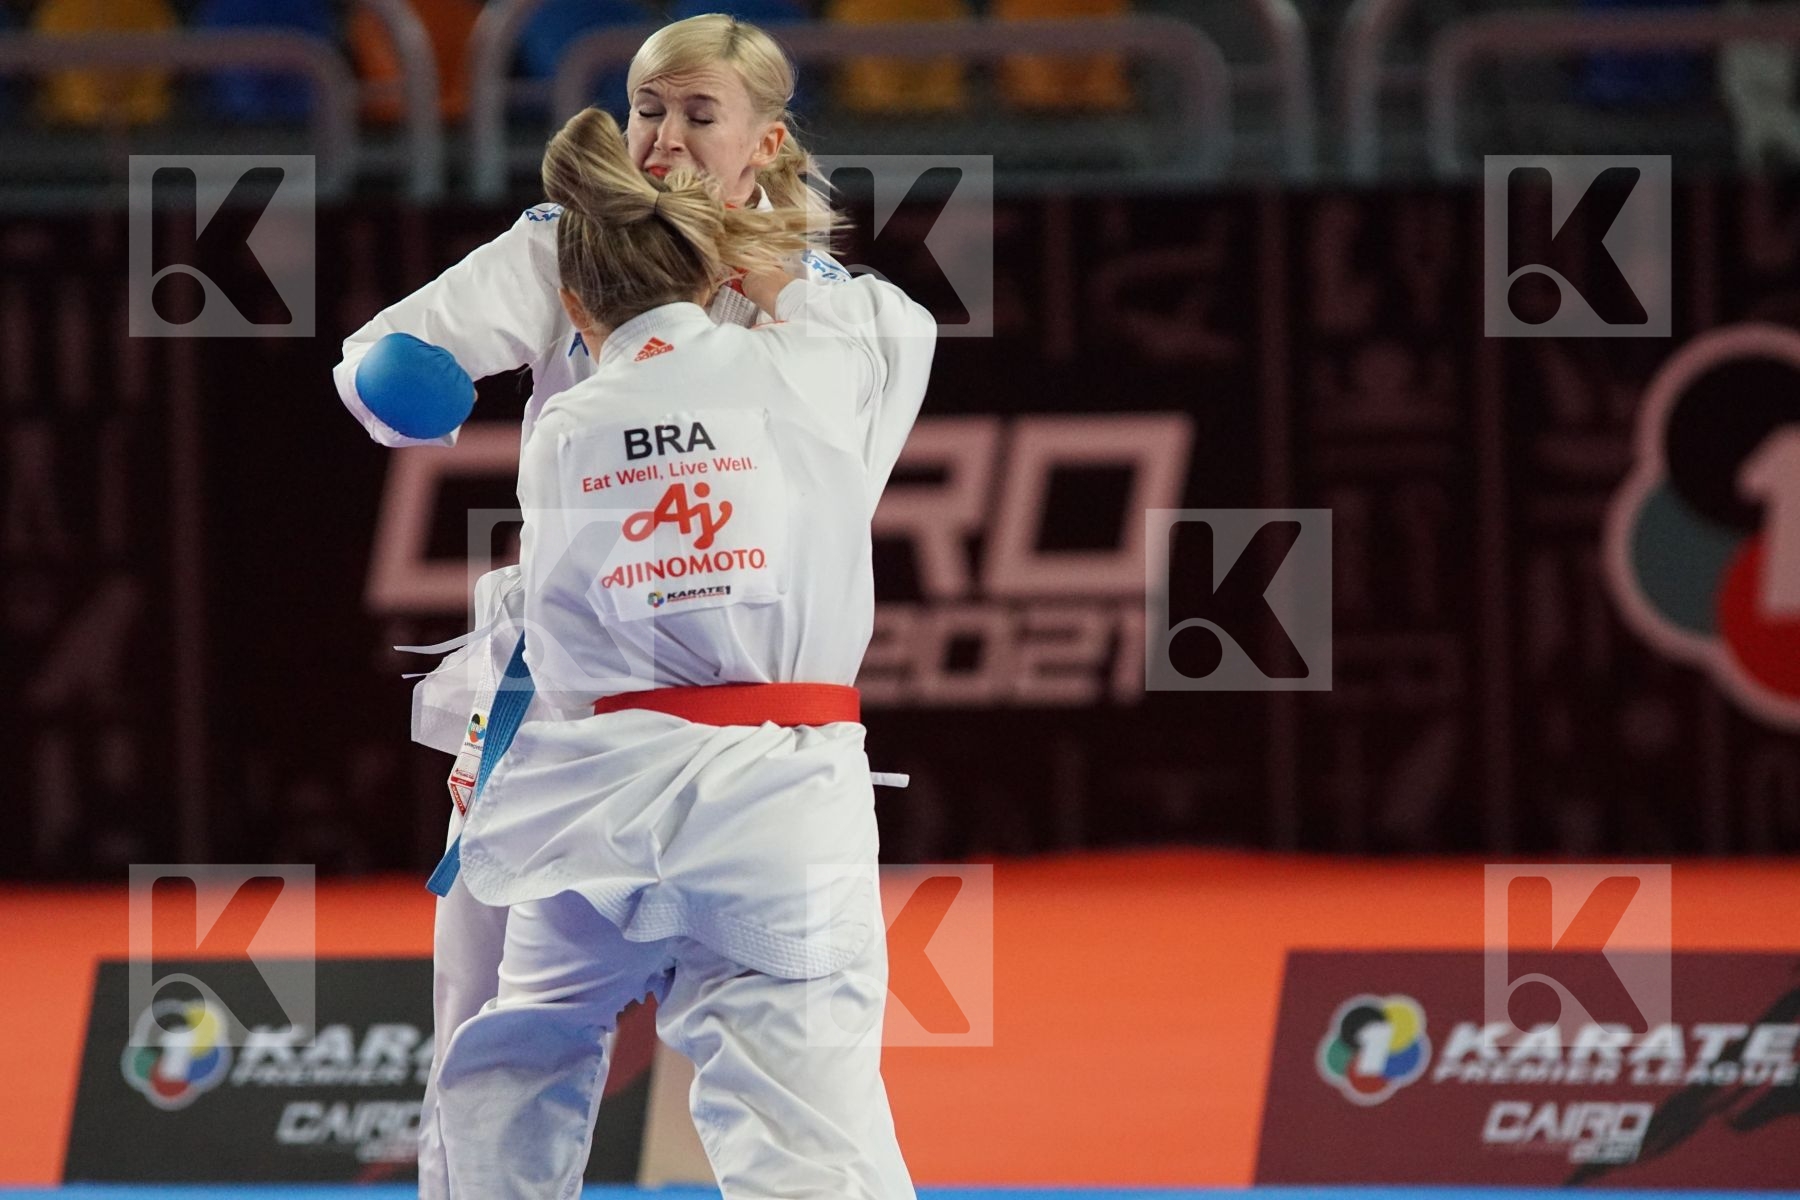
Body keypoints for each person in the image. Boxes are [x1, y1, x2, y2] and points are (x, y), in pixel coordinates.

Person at [328, 17, 852, 1196]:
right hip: (565, 680)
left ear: (765, 140)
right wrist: (397, 372)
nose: (664, 138)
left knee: (779, 1034)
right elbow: (397, 346)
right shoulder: (561, 242)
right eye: (647, 110)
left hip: (745, 695)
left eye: (697, 114)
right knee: (488, 995)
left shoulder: (819, 298)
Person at [433, 105, 934, 1198]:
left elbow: (561, 641)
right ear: (719, 272)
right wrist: (773, 263)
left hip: (596, 801)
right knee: (805, 1111)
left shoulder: (566, 427)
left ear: (571, 309)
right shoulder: (813, 357)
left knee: (520, 1048)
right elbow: (897, 331)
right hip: (780, 797)